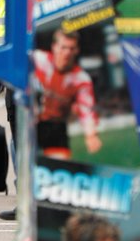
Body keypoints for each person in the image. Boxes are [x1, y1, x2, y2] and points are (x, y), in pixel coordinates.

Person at [32, 29, 102, 158]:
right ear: (54, 47)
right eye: (63, 47)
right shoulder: (37, 59)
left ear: (77, 50)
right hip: (29, 123)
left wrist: (91, 134)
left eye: (71, 48)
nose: (67, 53)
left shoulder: (81, 79)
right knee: (26, 169)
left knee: (59, 170)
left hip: (56, 127)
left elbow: (86, 108)